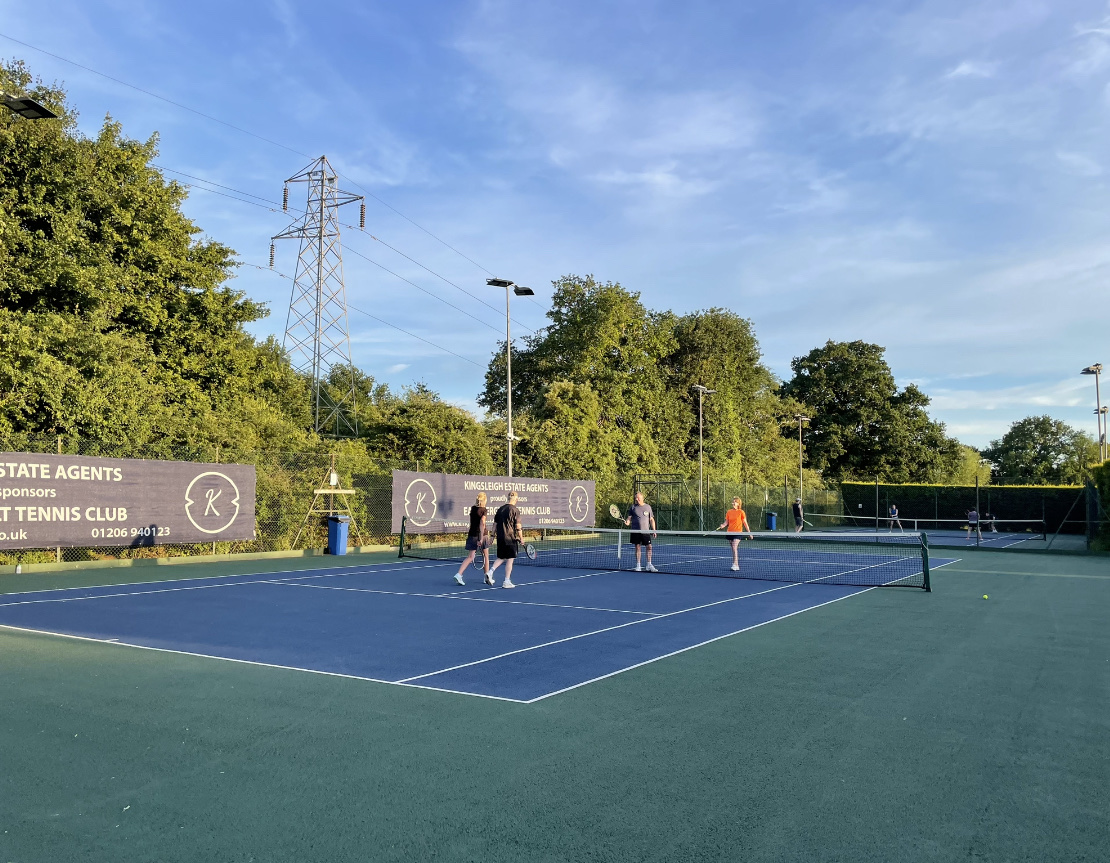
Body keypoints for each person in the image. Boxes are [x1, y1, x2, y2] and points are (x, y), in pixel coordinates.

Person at [487, 490, 524, 589]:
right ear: (515, 499)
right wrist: (521, 538)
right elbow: (518, 526)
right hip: (510, 538)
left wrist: (492, 536)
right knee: (510, 560)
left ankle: (490, 572)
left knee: (502, 557)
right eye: (517, 499)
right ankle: (506, 581)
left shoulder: (500, 509)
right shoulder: (515, 510)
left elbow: (494, 525)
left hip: (500, 538)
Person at [454, 492, 492, 586]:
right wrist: (481, 537)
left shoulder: (473, 508)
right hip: (481, 535)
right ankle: (486, 577)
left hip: (472, 534)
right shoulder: (484, 510)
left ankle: (459, 574)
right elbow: (482, 523)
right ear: (485, 500)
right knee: (486, 556)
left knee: (470, 557)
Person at [623, 491, 658, 572]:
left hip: (646, 532)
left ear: (642, 498)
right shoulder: (633, 507)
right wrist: (628, 521)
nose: (636, 499)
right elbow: (629, 517)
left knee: (649, 547)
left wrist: (654, 531)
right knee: (637, 547)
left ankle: (649, 564)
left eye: (638, 498)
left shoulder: (648, 507)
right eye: (636, 498)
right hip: (635, 531)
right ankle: (638, 565)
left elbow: (652, 519)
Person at [718, 497, 754, 571]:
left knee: (734, 546)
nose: (733, 503)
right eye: (733, 502)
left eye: (735, 502)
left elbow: (745, 523)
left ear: (738, 504)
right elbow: (726, 522)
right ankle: (735, 563)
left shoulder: (741, 512)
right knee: (733, 548)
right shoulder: (729, 512)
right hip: (730, 532)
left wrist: (749, 533)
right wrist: (723, 525)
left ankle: (735, 564)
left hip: (738, 532)